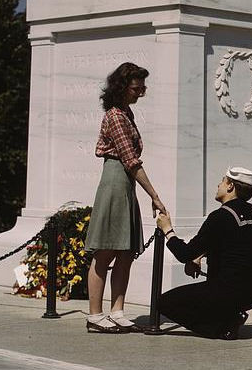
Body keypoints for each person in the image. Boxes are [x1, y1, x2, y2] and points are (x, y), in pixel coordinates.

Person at [85, 62, 167, 333]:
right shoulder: (116, 116)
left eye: (142, 87)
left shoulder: (126, 113)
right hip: (116, 180)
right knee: (106, 250)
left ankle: (117, 310)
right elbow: (130, 160)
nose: (140, 92)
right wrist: (154, 195)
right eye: (136, 87)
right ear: (122, 87)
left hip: (124, 183)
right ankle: (95, 315)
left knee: (125, 252)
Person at [156, 167, 252, 340]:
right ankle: (229, 316)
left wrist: (167, 230)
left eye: (223, 181)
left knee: (163, 303)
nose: (218, 185)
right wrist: (200, 255)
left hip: (229, 292)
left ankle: (221, 327)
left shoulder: (220, 216)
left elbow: (184, 254)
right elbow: (234, 243)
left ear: (230, 186)